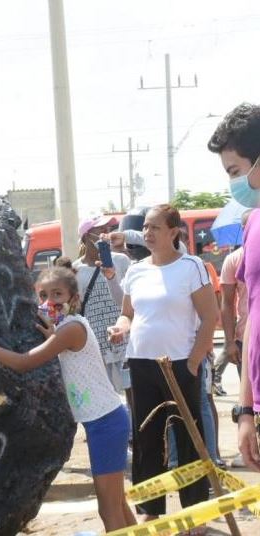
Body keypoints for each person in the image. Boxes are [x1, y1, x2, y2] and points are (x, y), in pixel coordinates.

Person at [0, 267, 134, 531]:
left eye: (57, 294)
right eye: (43, 295)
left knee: (108, 509)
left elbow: (24, 363)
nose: (49, 301)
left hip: (105, 424)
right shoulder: (67, 329)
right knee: (119, 505)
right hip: (103, 421)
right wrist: (53, 338)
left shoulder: (70, 328)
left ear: (74, 298)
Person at [107, 204, 217, 530]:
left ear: (174, 232)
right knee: (145, 438)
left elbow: (209, 318)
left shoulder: (191, 266)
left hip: (181, 364)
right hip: (141, 363)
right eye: (146, 228)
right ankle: (149, 509)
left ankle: (194, 511)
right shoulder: (137, 270)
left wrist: (195, 361)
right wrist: (120, 327)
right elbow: (127, 313)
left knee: (188, 437)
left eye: (156, 227)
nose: (148, 233)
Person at [206, 102, 260, 472]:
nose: (233, 184)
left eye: (236, 171)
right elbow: (253, 315)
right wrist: (244, 411)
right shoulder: (253, 224)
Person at [73, 215, 131, 392]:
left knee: (133, 391)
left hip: (125, 339)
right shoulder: (75, 270)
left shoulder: (121, 261)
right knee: (106, 394)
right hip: (97, 343)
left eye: (108, 230)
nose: (106, 234)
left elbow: (130, 297)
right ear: (86, 237)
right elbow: (75, 308)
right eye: (101, 231)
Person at [213, 211, 251, 395]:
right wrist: (229, 342)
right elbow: (227, 303)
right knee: (251, 401)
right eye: (246, 226)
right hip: (246, 339)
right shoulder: (234, 259)